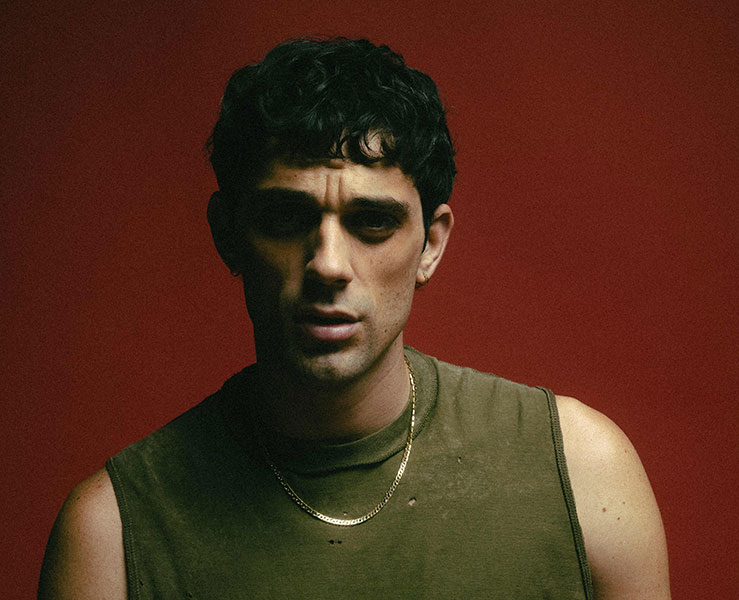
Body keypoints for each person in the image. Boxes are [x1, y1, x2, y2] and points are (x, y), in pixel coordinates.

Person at [38, 37, 670, 599]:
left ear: (431, 245)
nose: (328, 264)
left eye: (372, 222)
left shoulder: (584, 474)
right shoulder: (112, 536)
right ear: (228, 234)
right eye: (286, 218)